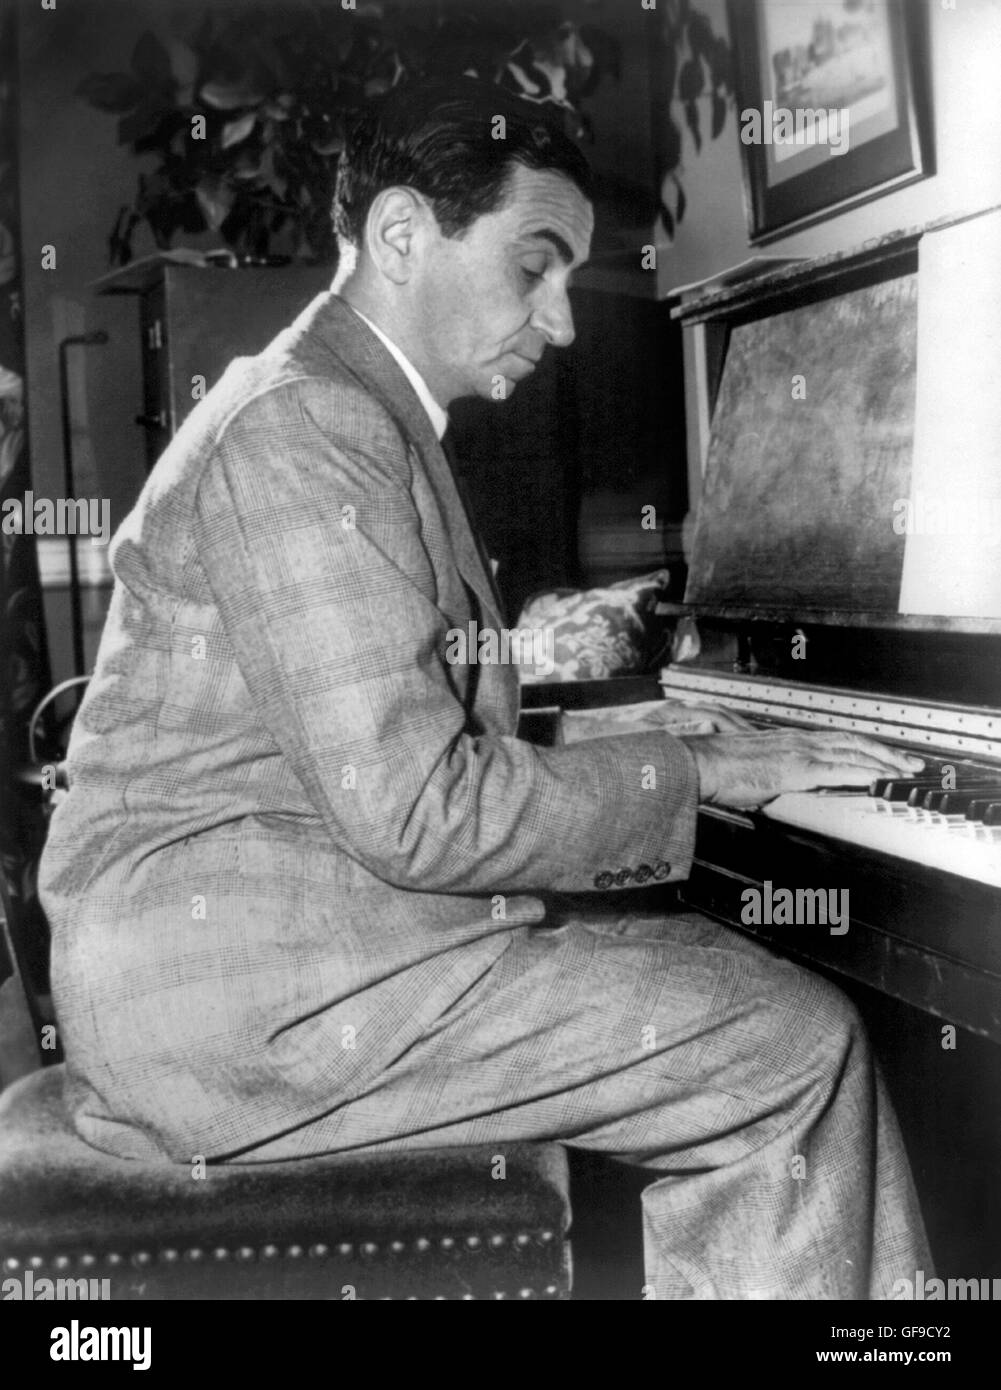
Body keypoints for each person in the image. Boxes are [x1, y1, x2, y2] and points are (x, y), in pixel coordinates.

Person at [39, 80, 930, 1299]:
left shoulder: (342, 404)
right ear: (403, 235)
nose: (561, 322)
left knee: (709, 981)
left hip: (271, 960)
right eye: (534, 267)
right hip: (246, 1014)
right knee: (785, 1044)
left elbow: (386, 722)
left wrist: (639, 732)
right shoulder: (309, 427)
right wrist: (701, 767)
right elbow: (415, 810)